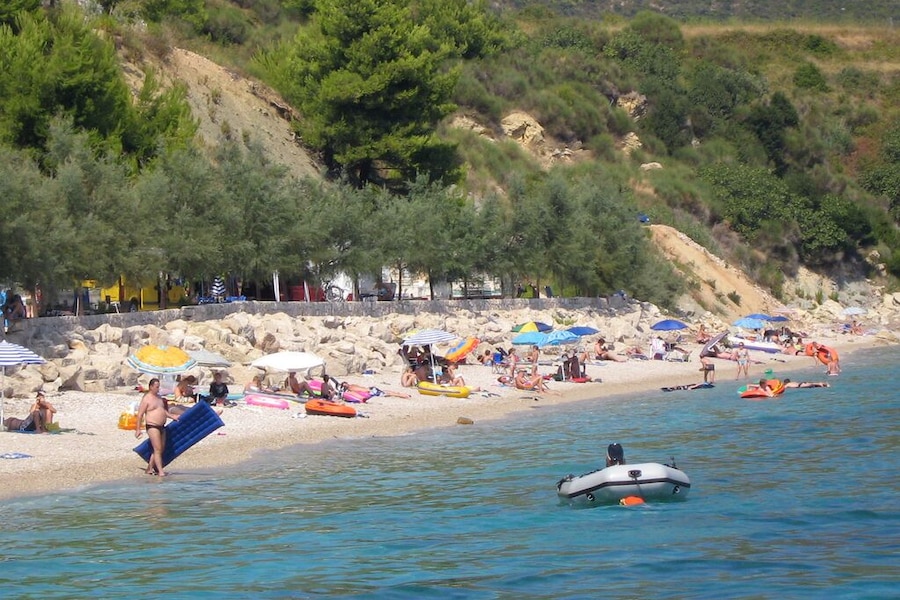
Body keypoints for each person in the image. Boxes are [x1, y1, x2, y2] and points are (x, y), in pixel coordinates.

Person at [135, 378, 181, 476]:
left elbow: (162, 411)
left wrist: (172, 416)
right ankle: (160, 471)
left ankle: (149, 469)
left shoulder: (159, 398)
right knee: (158, 449)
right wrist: (138, 429)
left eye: (159, 387)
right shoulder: (147, 399)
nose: (158, 389)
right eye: (156, 387)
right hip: (152, 426)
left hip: (161, 427)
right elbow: (140, 414)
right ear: (151, 387)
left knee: (160, 449)